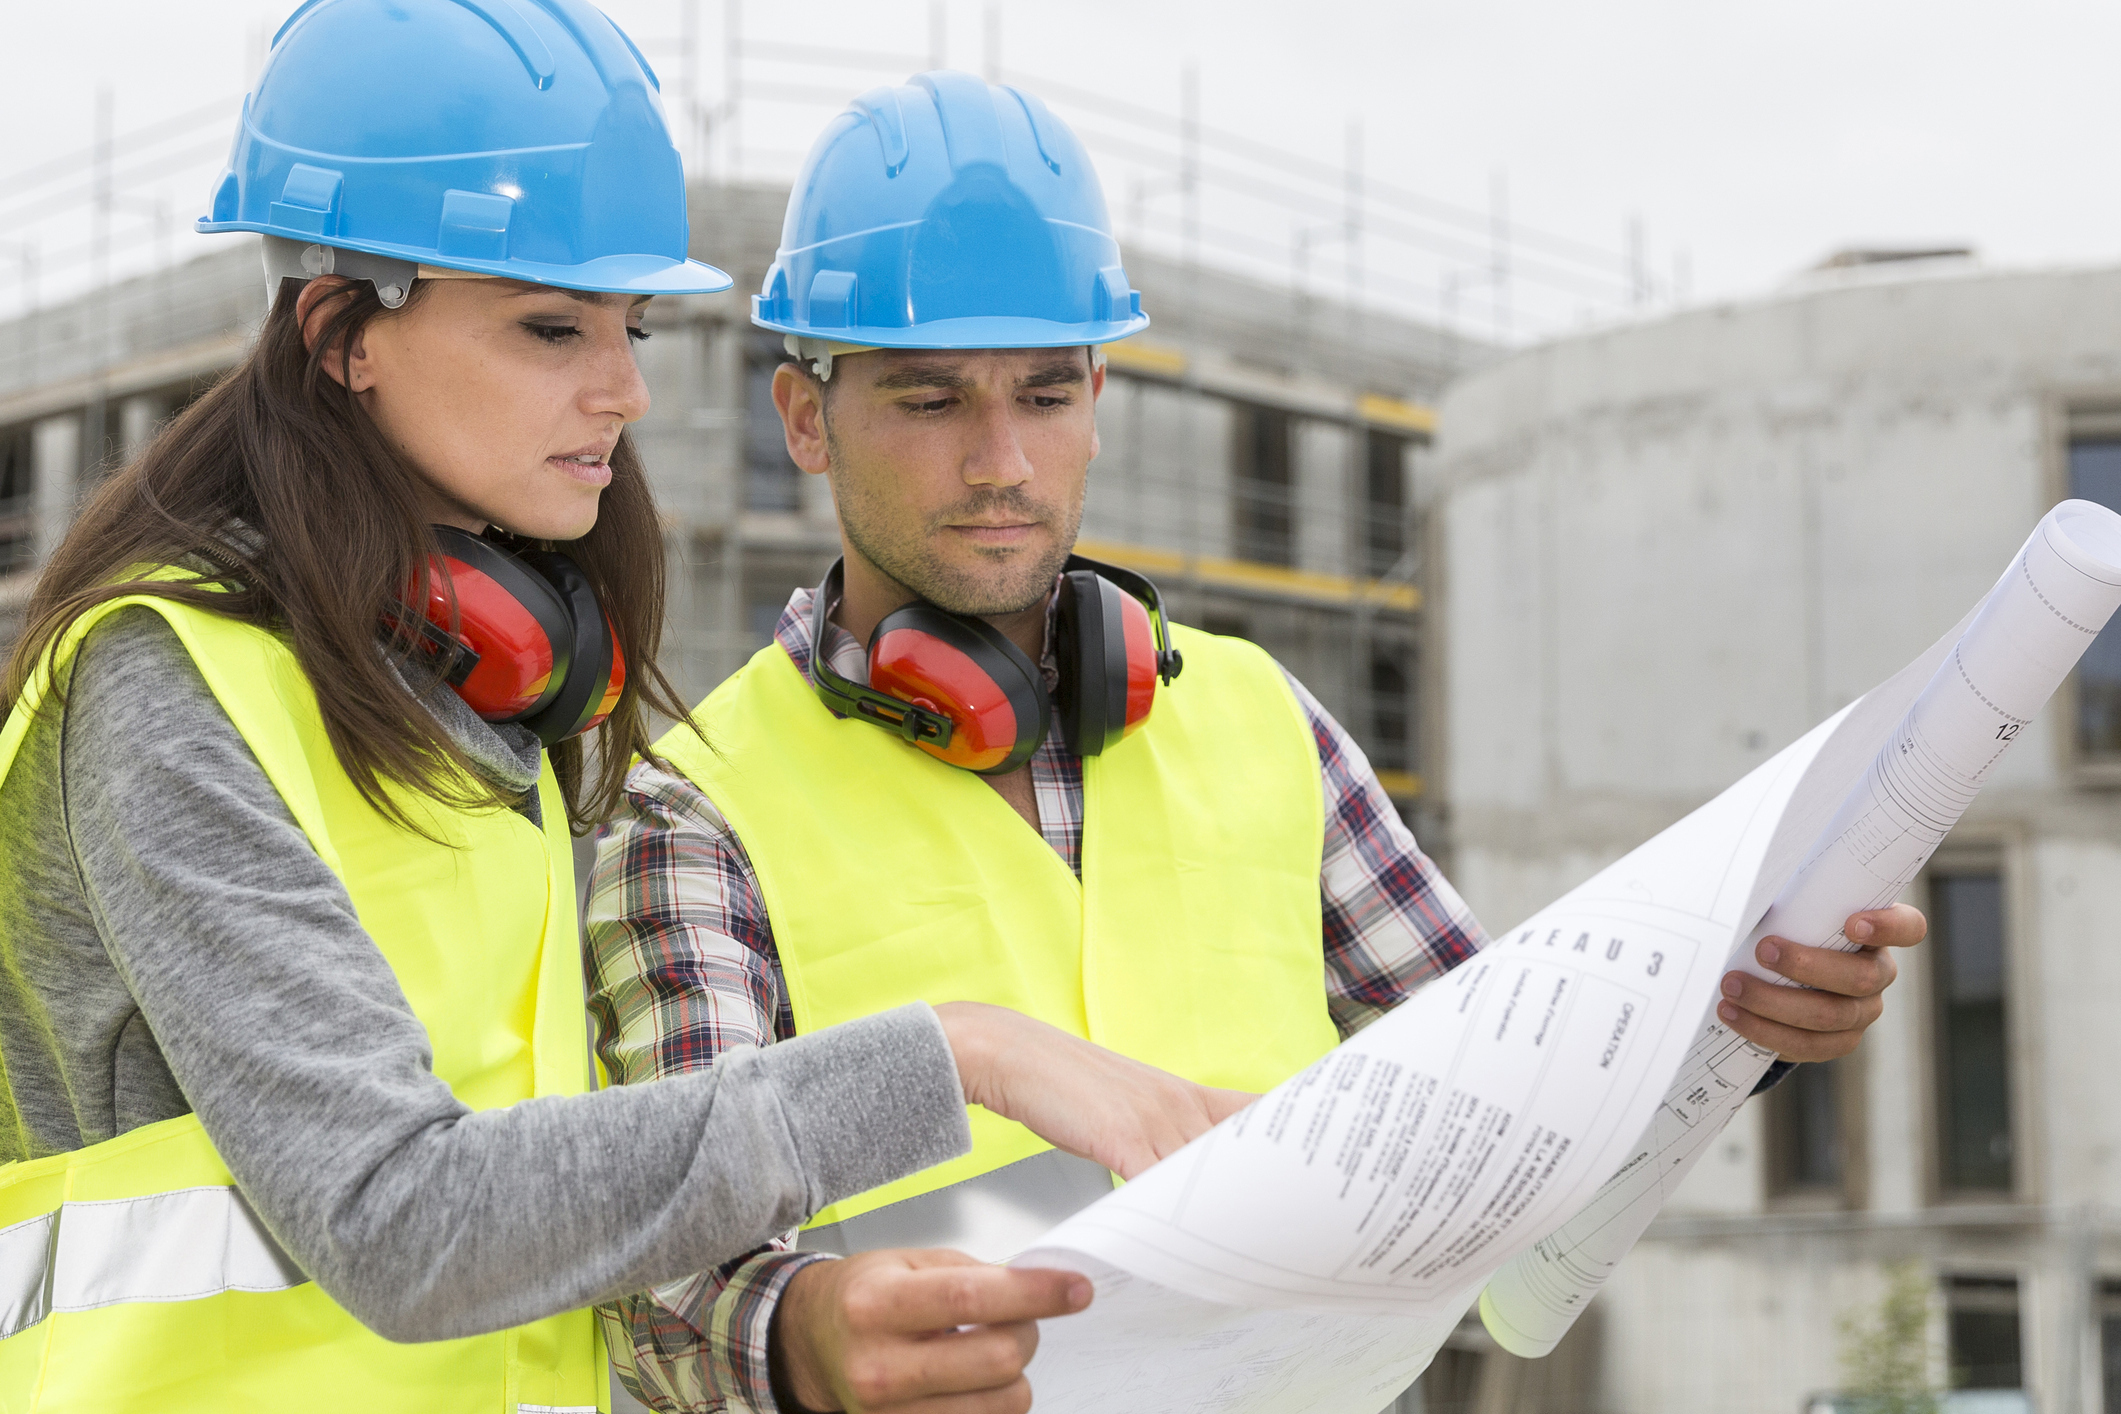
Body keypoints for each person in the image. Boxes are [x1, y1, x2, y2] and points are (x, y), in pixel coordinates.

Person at [586, 71, 1928, 1414]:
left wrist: (1739, 1019)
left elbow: (1504, 1095)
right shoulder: (697, 804)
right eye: (931, 402)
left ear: (1098, 398)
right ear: (804, 418)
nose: (1002, 462)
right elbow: (665, 1281)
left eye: (1045, 396)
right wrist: (810, 1335)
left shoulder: (1258, 716)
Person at [0, 15, 1242, 1410]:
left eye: (629, 328)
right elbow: (396, 1220)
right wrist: (961, 1053)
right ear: (342, 333)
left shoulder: (473, 701)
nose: (628, 391)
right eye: (552, 328)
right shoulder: (163, 684)